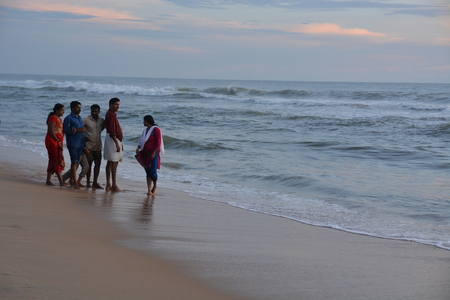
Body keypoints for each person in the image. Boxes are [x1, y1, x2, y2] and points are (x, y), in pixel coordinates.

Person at [135, 115, 164, 195]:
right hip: (145, 153)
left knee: (153, 171)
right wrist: (138, 147)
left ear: (147, 121)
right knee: (147, 171)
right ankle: (148, 190)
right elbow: (141, 141)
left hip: (153, 153)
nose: (143, 122)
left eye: (144, 121)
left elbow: (158, 142)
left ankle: (154, 185)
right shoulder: (145, 131)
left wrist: (154, 152)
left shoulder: (156, 129)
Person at [63, 101, 87, 189]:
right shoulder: (68, 118)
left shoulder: (79, 118)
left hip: (80, 143)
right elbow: (66, 130)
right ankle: (74, 182)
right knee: (74, 162)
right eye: (78, 108)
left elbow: (83, 131)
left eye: (80, 107)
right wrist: (77, 130)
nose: (79, 109)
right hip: (73, 143)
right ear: (72, 108)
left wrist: (84, 145)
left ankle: (73, 181)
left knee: (76, 162)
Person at [83, 104, 105, 189]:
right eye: (92, 111)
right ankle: (88, 182)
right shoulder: (86, 120)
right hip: (89, 146)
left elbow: (104, 127)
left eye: (96, 111)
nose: (94, 113)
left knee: (98, 164)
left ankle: (95, 182)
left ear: (99, 111)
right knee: (89, 165)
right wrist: (83, 137)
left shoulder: (101, 120)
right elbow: (80, 127)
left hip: (98, 145)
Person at [104, 97, 123, 192]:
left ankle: (109, 184)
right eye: (116, 105)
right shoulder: (111, 115)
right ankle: (113, 184)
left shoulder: (111, 114)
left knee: (111, 162)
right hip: (112, 139)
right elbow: (112, 131)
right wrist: (117, 143)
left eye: (118, 105)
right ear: (111, 105)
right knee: (114, 162)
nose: (117, 107)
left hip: (112, 139)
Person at [45, 103, 67, 186]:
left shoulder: (59, 119)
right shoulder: (53, 118)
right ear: (56, 110)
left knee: (53, 160)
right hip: (53, 141)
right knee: (56, 160)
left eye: (63, 110)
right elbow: (51, 131)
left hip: (58, 141)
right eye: (62, 110)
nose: (63, 112)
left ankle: (48, 180)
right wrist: (57, 140)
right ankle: (61, 181)